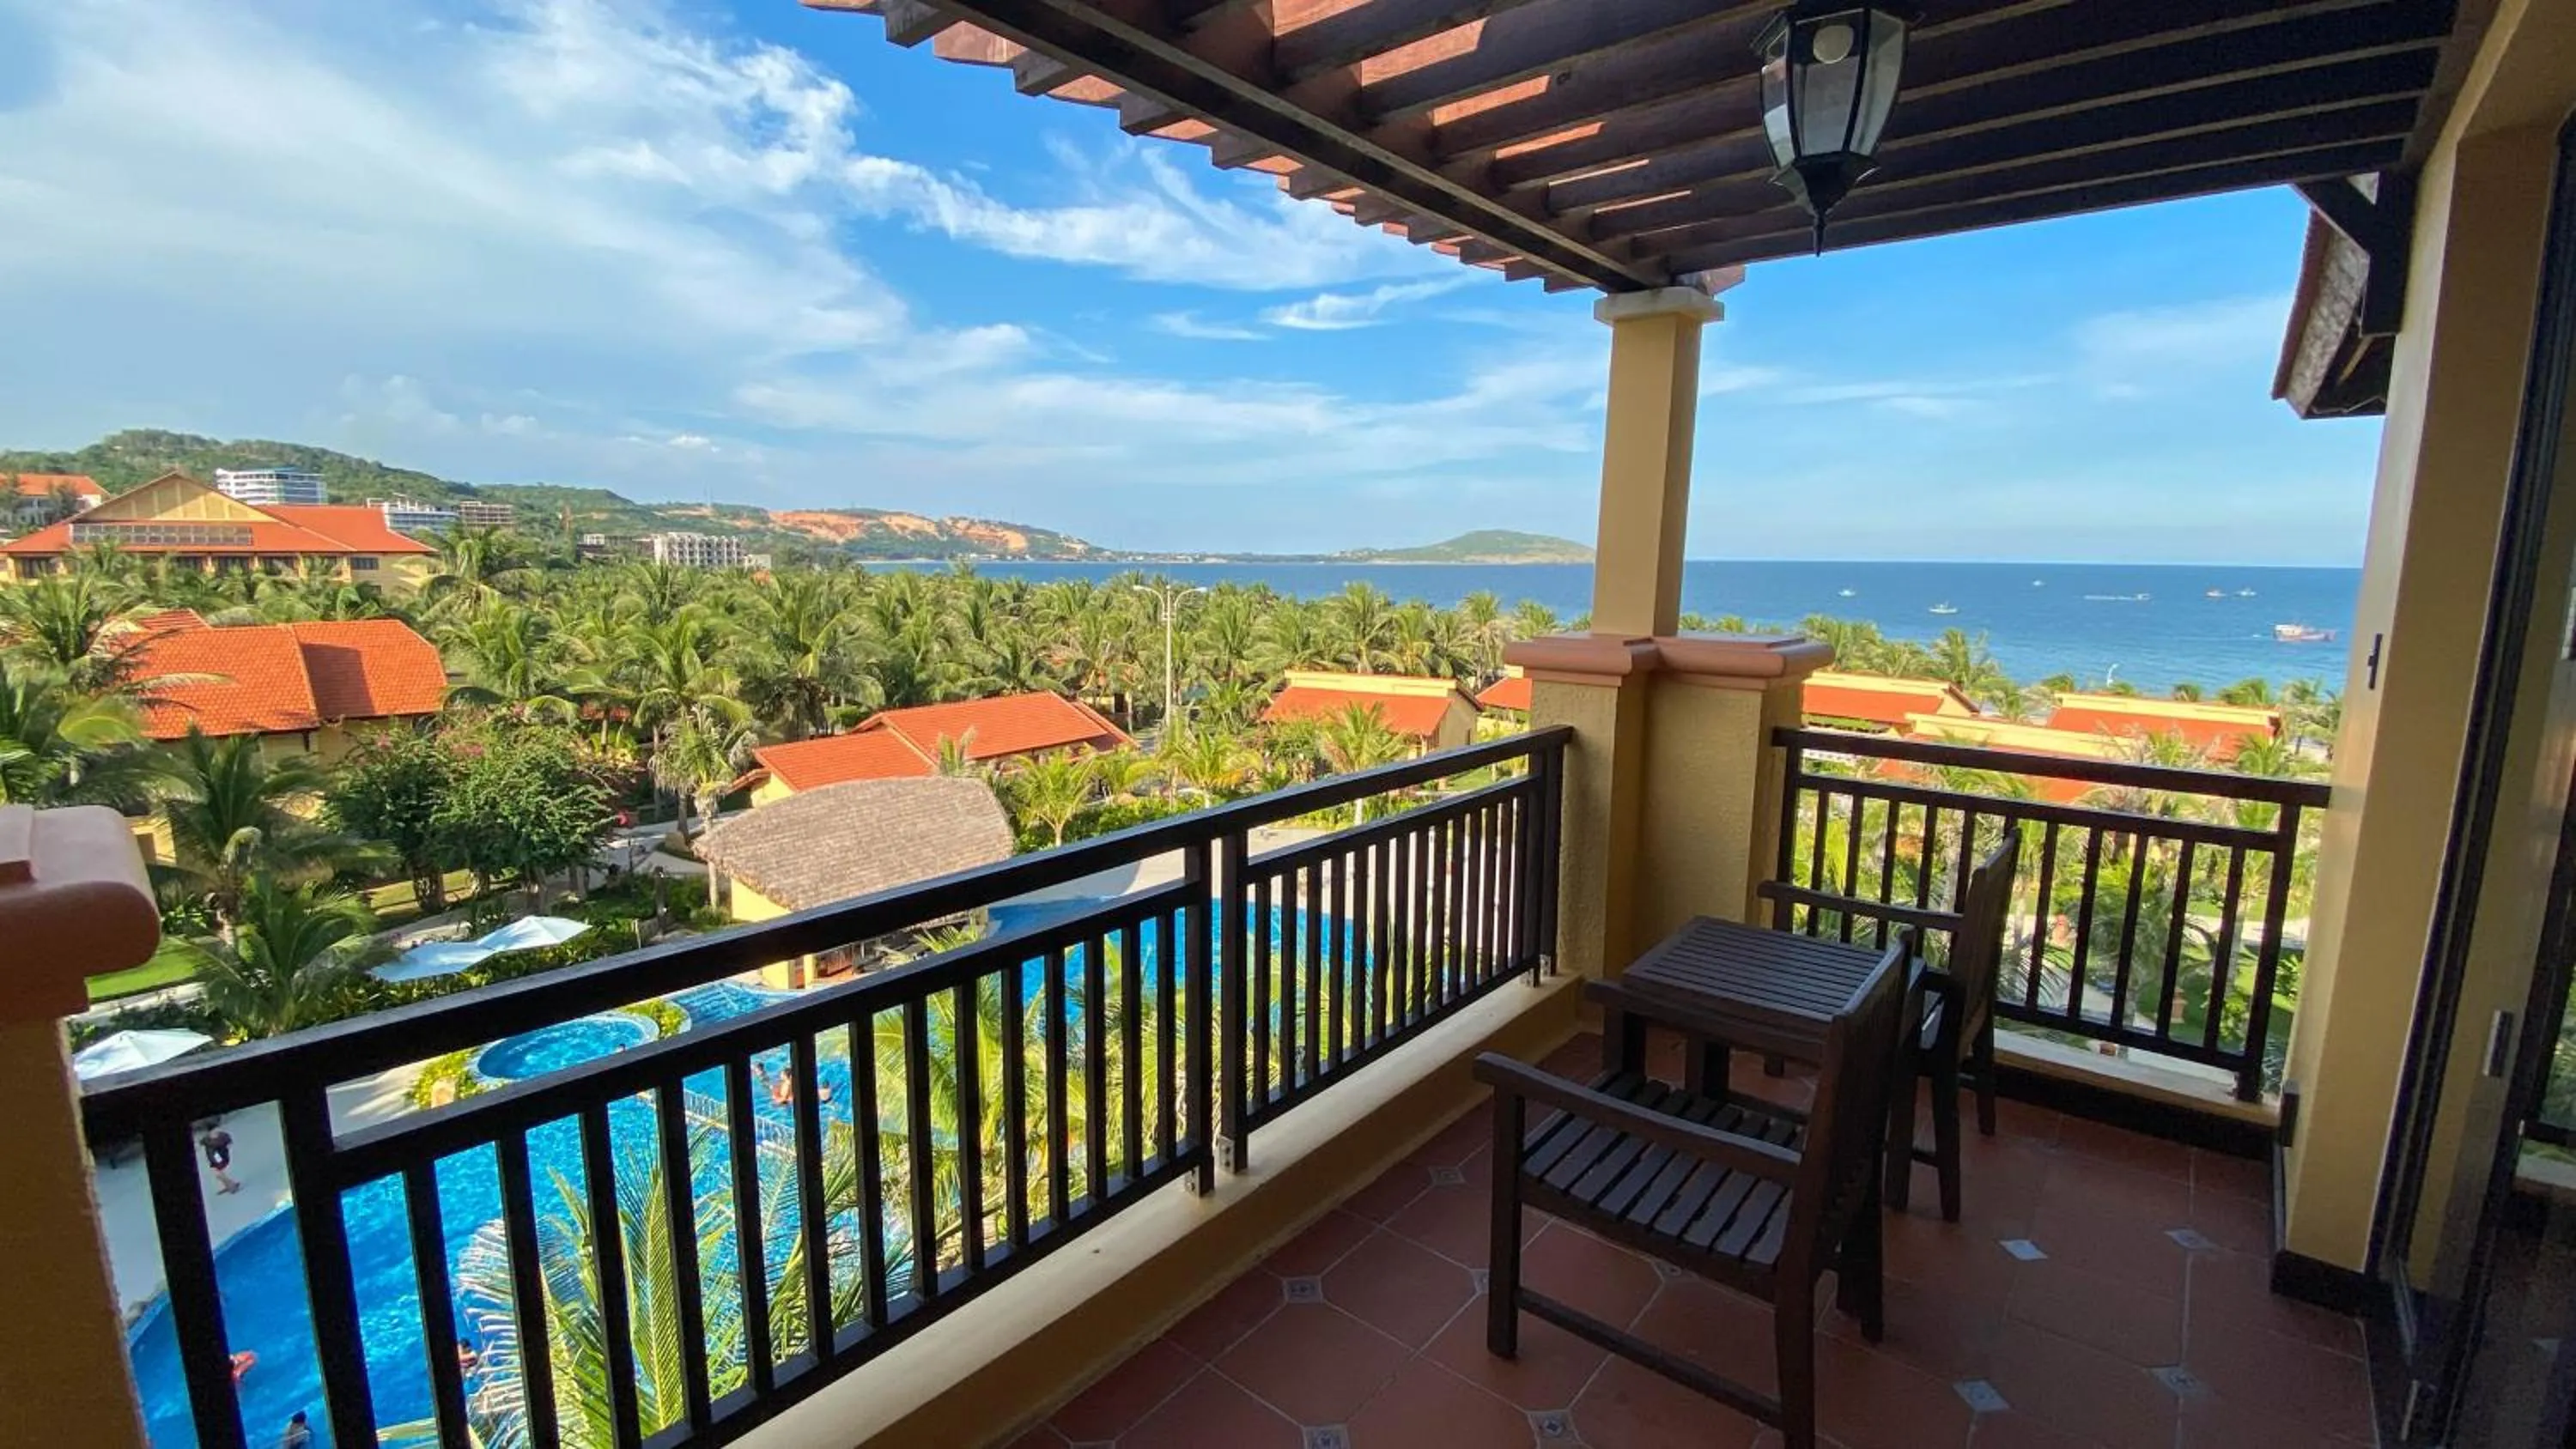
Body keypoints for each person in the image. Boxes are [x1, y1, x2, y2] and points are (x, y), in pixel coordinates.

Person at [201, 1127, 239, 1196]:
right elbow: (200, 1143)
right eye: (212, 1132)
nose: (215, 1133)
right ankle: (230, 1185)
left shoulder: (223, 1137)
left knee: (218, 1174)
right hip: (212, 1158)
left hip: (222, 1158)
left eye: (216, 1131)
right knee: (218, 1174)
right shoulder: (206, 1139)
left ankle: (232, 1185)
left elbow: (229, 1144)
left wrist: (225, 1149)